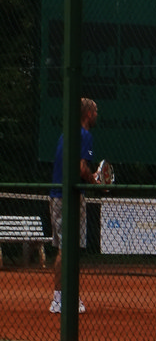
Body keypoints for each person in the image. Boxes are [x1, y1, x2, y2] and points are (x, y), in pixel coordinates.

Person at [48, 97, 99, 314]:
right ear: (88, 114)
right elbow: (81, 168)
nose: (97, 116)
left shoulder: (66, 134)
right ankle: (62, 299)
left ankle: (62, 297)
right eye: (95, 112)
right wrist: (95, 181)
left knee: (65, 248)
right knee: (68, 249)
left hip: (57, 196)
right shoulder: (85, 135)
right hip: (70, 198)